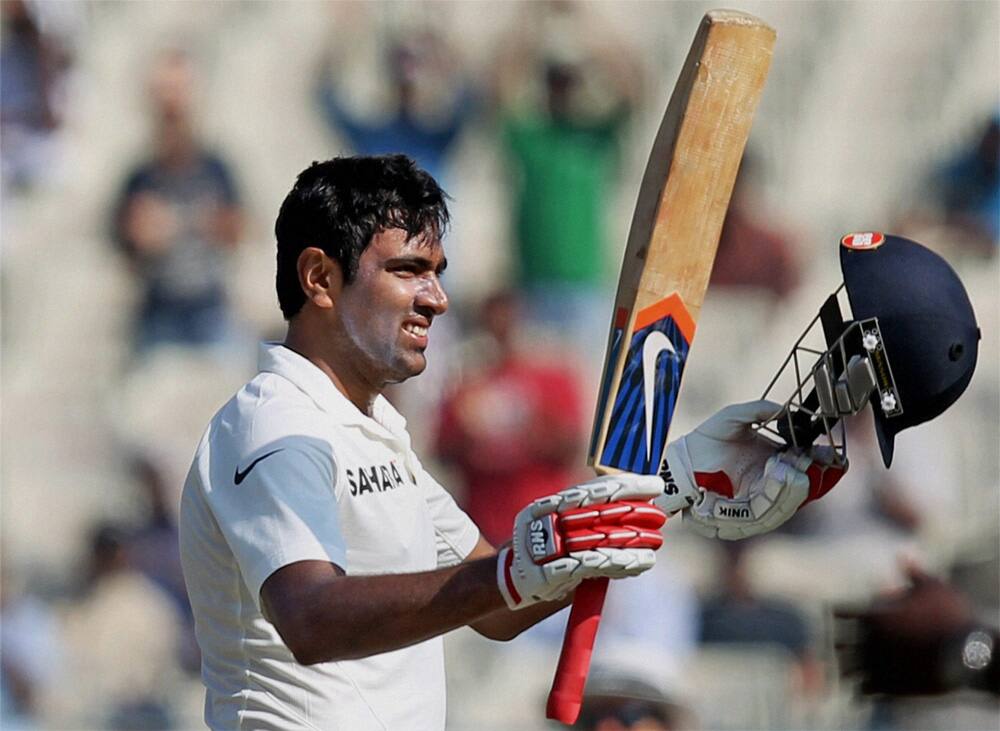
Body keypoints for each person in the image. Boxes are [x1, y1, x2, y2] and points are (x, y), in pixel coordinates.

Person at [178, 154, 844, 730]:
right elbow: (311, 618)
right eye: (408, 270)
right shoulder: (277, 424)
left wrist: (671, 485)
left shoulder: (377, 433)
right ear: (320, 277)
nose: (436, 298)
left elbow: (499, 604)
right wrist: (512, 569)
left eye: (437, 271)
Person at [111, 49, 245, 357]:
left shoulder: (217, 169)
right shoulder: (140, 177)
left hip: (210, 307)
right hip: (157, 312)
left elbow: (240, 230)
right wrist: (139, 234)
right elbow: (122, 244)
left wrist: (213, 224)